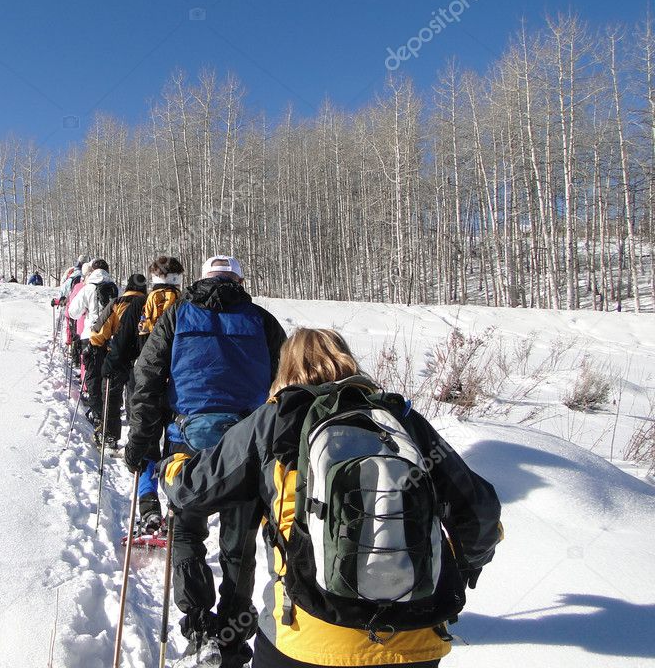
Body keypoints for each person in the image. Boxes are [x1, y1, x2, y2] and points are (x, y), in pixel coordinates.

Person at [160, 329, 503, 668]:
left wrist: (172, 466)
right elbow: (481, 514)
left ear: (284, 370)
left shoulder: (274, 421)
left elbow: (194, 490)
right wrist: (462, 566)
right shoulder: (403, 420)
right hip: (416, 637)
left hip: (308, 635)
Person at [125, 255, 286, 665]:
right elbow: (287, 386)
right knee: (238, 544)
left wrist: (141, 441)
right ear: (239, 279)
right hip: (248, 446)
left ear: (201, 278)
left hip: (186, 442)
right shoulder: (262, 321)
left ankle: (198, 626)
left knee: (186, 533)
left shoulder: (177, 314)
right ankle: (232, 634)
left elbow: (146, 379)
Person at [106, 255, 184, 532]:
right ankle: (179, 505)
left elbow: (125, 343)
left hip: (143, 383)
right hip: (179, 388)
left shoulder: (141, 304)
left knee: (145, 445)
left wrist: (114, 366)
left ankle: (148, 504)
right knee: (176, 448)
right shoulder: (188, 308)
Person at [88, 273, 147, 448]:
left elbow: (99, 332)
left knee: (112, 396)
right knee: (136, 398)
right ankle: (136, 440)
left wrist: (96, 345)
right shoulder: (150, 304)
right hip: (142, 356)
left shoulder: (116, 303)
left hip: (118, 355)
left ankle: (109, 435)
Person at [69, 259, 119, 428]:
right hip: (111, 337)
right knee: (109, 377)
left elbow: (73, 312)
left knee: (93, 375)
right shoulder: (115, 289)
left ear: (92, 271)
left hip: (90, 335)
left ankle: (97, 413)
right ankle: (110, 415)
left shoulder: (87, 288)